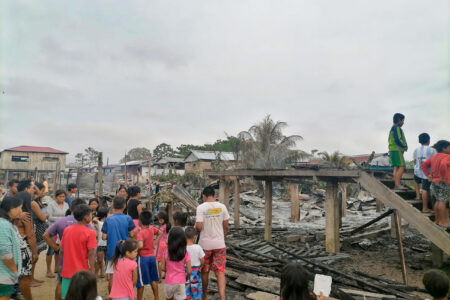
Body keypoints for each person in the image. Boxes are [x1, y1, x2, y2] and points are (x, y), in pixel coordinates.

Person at [43, 198, 88, 300]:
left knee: (61, 283)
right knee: (80, 286)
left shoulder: (61, 221)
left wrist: (55, 247)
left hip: (64, 260)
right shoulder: (84, 222)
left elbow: (46, 235)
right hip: (81, 261)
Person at [195, 186, 229, 300]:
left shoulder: (201, 208)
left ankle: (204, 296)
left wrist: (196, 228)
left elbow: (199, 227)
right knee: (220, 272)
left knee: (205, 271)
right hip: (219, 245)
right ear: (215, 196)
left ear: (203, 196)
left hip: (205, 246)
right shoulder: (222, 207)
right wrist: (222, 237)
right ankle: (222, 298)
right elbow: (226, 226)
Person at [60, 204, 97, 299]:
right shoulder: (90, 232)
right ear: (86, 217)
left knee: (67, 296)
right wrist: (92, 269)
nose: (91, 216)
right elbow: (91, 253)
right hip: (82, 273)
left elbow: (62, 250)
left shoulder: (67, 230)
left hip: (67, 271)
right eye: (90, 214)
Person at [101, 196, 135, 292]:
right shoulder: (128, 218)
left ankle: (112, 297)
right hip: (125, 251)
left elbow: (103, 237)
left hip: (112, 251)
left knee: (112, 277)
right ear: (124, 206)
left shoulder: (108, 219)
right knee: (126, 277)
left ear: (112, 206)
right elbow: (132, 234)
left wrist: (111, 234)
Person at [421, 140, 450, 228]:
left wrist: (428, 175)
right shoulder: (447, 156)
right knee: (442, 202)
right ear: (444, 148)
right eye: (449, 147)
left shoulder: (434, 157)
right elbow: (443, 164)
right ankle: (443, 223)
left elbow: (423, 165)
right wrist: (444, 177)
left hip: (434, 182)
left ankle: (437, 220)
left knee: (438, 201)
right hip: (443, 182)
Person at [14, 191, 37, 300]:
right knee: (25, 277)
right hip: (23, 248)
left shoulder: (10, 215)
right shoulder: (26, 216)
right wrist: (35, 253)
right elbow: (30, 236)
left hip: (11, 245)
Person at [0, 196, 23, 300]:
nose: (21, 211)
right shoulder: (3, 224)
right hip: (4, 274)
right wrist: (14, 270)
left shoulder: (6, 223)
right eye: (20, 208)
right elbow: (4, 251)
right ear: (12, 208)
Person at [136, 211, 162, 300]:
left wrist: (135, 250)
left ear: (140, 221)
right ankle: (156, 297)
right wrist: (155, 242)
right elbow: (160, 233)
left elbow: (140, 245)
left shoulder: (141, 233)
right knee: (153, 280)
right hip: (152, 257)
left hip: (143, 258)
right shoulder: (151, 228)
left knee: (140, 282)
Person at [161, 227, 191, 300]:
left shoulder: (166, 251)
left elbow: (162, 268)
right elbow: (189, 271)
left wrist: (168, 271)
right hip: (181, 281)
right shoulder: (185, 252)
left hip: (169, 281)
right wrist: (185, 277)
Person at [46, 190, 69, 278]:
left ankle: (56, 267)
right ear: (56, 197)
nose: (62, 198)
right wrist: (61, 218)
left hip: (63, 229)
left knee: (59, 249)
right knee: (51, 250)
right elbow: (50, 217)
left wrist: (63, 219)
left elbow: (68, 215)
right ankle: (48, 270)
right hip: (53, 229)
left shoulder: (66, 204)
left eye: (63, 197)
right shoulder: (51, 205)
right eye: (60, 196)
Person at [30, 182, 49, 285]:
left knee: (36, 255)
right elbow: (42, 217)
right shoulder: (33, 202)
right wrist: (46, 215)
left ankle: (32, 277)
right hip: (36, 229)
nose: (44, 192)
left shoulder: (38, 201)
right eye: (42, 190)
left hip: (40, 229)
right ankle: (30, 278)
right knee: (34, 255)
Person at [413, 133, 437, 212]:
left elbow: (415, 161)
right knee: (425, 189)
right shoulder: (432, 150)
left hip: (417, 171)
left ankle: (417, 196)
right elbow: (435, 162)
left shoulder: (416, 150)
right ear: (429, 140)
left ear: (419, 141)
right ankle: (425, 208)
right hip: (427, 174)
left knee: (416, 181)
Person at [388, 113, 408, 190]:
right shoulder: (397, 128)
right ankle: (397, 184)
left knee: (396, 166)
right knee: (402, 166)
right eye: (403, 120)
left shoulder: (392, 128)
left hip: (392, 150)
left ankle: (396, 183)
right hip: (397, 149)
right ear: (400, 120)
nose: (403, 122)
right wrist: (404, 145)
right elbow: (397, 139)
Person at [185, 226, 205, 300]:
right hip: (196, 272)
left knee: (187, 292)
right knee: (197, 292)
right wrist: (201, 266)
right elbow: (202, 259)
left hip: (185, 271)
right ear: (194, 237)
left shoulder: (182, 248)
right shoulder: (198, 247)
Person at [156, 211, 171, 280]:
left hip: (161, 243)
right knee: (166, 259)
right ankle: (166, 274)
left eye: (160, 219)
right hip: (167, 243)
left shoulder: (162, 227)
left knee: (159, 260)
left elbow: (159, 234)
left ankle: (159, 276)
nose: (159, 221)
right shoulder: (168, 226)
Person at [95, 207, 108, 278]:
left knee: (107, 259)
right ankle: (101, 270)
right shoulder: (98, 223)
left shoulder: (109, 222)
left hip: (107, 244)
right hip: (100, 244)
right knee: (99, 260)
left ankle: (105, 272)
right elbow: (94, 220)